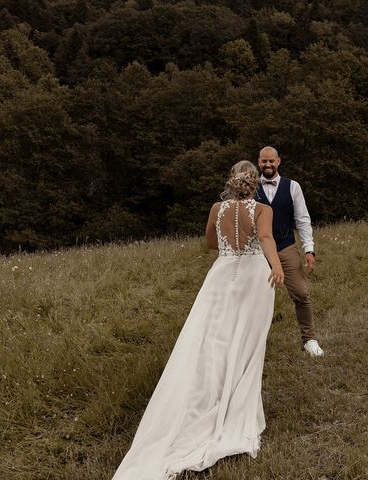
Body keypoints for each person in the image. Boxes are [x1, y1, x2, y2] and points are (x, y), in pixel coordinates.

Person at [112, 161, 284, 479]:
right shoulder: (262, 209)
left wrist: (230, 246)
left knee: (210, 341)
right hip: (252, 278)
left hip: (220, 276)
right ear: (254, 182)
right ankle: (233, 406)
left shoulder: (217, 208)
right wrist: (276, 266)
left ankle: (206, 397)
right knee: (246, 342)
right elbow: (265, 238)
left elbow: (210, 242)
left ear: (231, 181)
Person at [255, 146, 324, 357]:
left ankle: (309, 340)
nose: (268, 165)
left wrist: (309, 249)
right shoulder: (251, 187)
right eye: (264, 161)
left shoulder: (293, 187)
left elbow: (302, 219)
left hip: (285, 247)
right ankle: (253, 345)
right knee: (253, 298)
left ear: (279, 161)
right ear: (259, 163)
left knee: (301, 294)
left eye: (271, 161)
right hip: (257, 252)